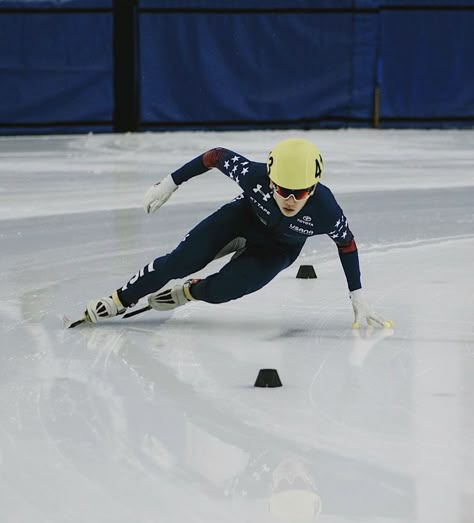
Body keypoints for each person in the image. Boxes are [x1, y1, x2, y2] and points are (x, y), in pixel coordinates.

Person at [84, 138, 392, 329]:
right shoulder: (253, 175)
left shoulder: (326, 210)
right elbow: (215, 156)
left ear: (313, 188)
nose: (290, 199)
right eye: (284, 190)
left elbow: (347, 244)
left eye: (301, 194)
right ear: (271, 181)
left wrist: (357, 293)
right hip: (241, 219)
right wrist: (170, 182)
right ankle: (119, 299)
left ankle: (188, 292)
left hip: (276, 250)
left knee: (223, 292)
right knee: (178, 262)